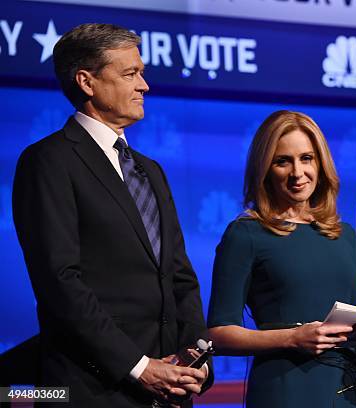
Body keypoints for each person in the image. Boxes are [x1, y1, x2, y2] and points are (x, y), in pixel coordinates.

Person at [12, 23, 212, 407]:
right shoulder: (49, 161)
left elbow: (180, 276)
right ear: (87, 82)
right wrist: (138, 367)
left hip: (170, 387)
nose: (145, 86)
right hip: (95, 389)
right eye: (130, 73)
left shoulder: (150, 169)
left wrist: (196, 360)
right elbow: (60, 282)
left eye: (143, 73)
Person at [207, 110, 356, 407]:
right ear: (265, 168)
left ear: (321, 164)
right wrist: (293, 337)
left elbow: (350, 329)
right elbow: (218, 334)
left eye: (306, 158)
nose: (298, 173)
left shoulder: (345, 235)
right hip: (284, 391)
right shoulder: (246, 234)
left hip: (347, 393)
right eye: (283, 161)